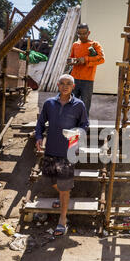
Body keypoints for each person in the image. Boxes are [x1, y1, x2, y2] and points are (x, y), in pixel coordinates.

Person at [35, 74, 89, 236]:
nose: (65, 86)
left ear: (73, 87)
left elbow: (85, 124)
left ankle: (62, 220)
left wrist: (77, 133)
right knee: (49, 179)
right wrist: (39, 137)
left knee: (64, 189)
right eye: (62, 83)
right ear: (58, 85)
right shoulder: (49, 104)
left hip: (68, 152)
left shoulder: (79, 105)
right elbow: (40, 122)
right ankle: (62, 194)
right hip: (51, 149)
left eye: (69, 84)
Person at [67, 23, 105, 116]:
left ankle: (84, 124)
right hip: (74, 78)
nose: (82, 36)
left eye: (84, 33)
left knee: (85, 105)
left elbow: (102, 59)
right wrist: (71, 61)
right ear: (77, 33)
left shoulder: (95, 44)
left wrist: (86, 59)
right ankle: (71, 122)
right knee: (71, 102)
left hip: (87, 80)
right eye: (80, 34)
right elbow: (72, 57)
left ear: (89, 33)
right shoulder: (75, 45)